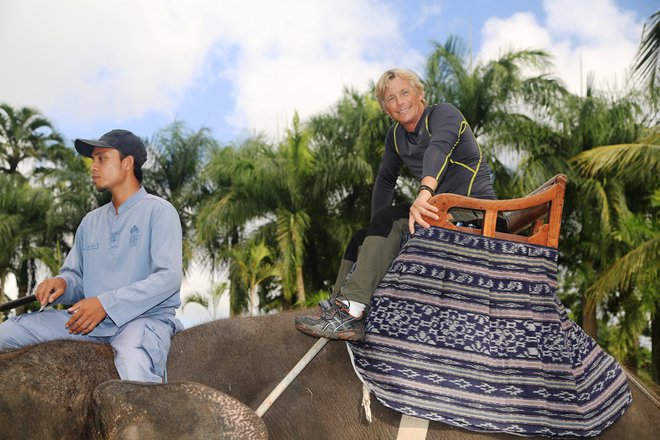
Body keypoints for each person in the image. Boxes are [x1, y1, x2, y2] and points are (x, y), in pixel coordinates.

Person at [295, 68, 501, 341]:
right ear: (385, 108)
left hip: (474, 210)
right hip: (438, 209)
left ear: (419, 93)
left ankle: (352, 311)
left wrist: (425, 192)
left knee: (390, 220)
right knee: (363, 236)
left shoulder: (444, 114)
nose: (400, 101)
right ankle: (340, 307)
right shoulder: (395, 136)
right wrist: (373, 232)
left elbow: (438, 149)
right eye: (390, 98)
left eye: (405, 92)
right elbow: (384, 182)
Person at [0, 129, 184, 382]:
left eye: (101, 158)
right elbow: (77, 277)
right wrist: (62, 284)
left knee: (132, 364)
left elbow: (168, 278)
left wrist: (106, 304)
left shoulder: (160, 211)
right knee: (6, 333)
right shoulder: (90, 222)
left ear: (127, 163)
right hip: (86, 322)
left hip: (142, 321)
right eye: (93, 160)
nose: (93, 167)